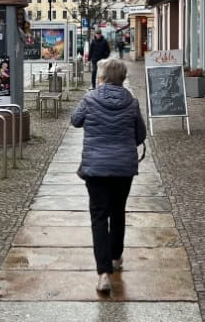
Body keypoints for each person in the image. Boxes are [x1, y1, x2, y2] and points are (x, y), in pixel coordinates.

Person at [70, 58, 147, 294]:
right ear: (122, 78)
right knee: (118, 211)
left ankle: (103, 273)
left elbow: (75, 121)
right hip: (123, 168)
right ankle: (115, 258)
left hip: (96, 168)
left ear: (102, 77)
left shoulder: (90, 99)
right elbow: (140, 135)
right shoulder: (132, 103)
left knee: (99, 216)